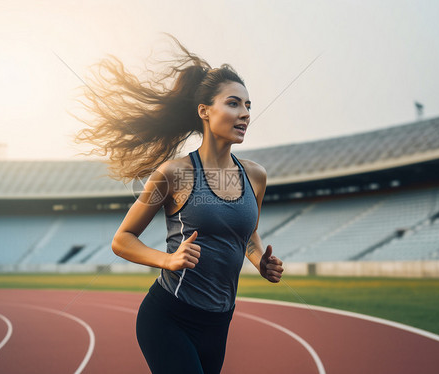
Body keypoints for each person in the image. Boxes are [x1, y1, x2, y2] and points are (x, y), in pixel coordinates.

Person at [76, 35, 284, 374]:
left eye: (248, 106)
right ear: (204, 111)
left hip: (218, 324)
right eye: (234, 103)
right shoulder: (173, 174)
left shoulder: (256, 177)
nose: (245, 114)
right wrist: (167, 259)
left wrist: (261, 262)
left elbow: (248, 236)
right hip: (169, 317)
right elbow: (123, 238)